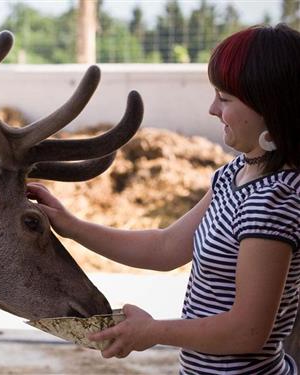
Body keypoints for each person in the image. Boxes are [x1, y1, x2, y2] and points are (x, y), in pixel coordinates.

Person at [26, 23, 299, 374]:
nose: (212, 109)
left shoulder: (273, 202)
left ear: (270, 107)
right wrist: (72, 226)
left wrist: (153, 331)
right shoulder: (235, 174)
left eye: (225, 99)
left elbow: (247, 332)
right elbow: (165, 247)